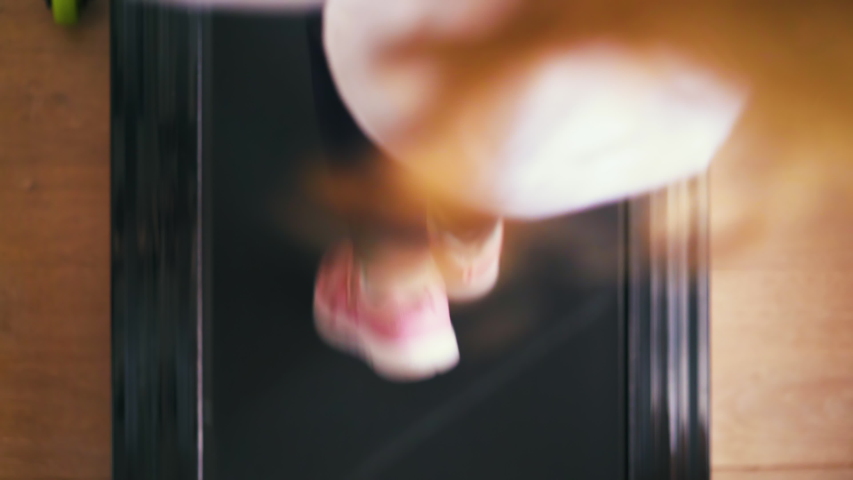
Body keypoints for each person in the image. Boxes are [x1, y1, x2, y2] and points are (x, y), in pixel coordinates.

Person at [167, 0, 747, 381]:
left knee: (386, 150)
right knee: (507, 148)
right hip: (639, 115)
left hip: (401, 45)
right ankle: (467, 240)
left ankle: (394, 286)